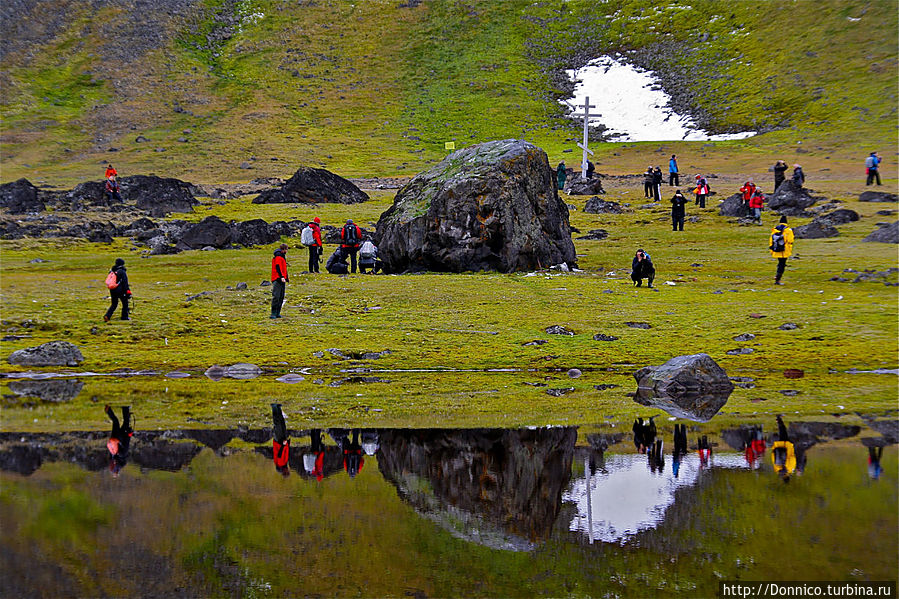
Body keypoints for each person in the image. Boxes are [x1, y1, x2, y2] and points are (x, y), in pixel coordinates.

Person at [105, 404, 133, 476]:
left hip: (122, 435)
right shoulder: (113, 457)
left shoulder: (123, 455)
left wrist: (129, 434)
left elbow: (126, 443)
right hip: (114, 437)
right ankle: (108, 410)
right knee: (115, 421)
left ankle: (125, 407)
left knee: (126, 421)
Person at [769, 215, 794, 285]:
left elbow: (771, 241)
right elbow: (790, 240)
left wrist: (772, 250)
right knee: (782, 264)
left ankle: (777, 277)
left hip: (776, 250)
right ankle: (778, 279)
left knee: (780, 263)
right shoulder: (788, 230)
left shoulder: (775, 230)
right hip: (784, 250)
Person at [771, 415, 796, 481]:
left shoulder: (790, 469)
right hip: (778, 447)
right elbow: (774, 460)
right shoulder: (777, 471)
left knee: (783, 432)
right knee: (782, 433)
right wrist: (773, 450)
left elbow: (792, 458)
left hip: (786, 446)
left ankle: (779, 420)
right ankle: (779, 421)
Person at [270, 243, 289, 319]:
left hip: (282, 279)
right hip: (278, 279)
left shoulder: (282, 257)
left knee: (281, 296)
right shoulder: (278, 257)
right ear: (284, 249)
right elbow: (278, 267)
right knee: (276, 296)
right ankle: (273, 313)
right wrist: (281, 277)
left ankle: (278, 312)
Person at [271, 403, 290, 476]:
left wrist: (283, 445)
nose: (288, 469)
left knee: (278, 424)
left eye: (287, 471)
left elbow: (280, 454)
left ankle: (274, 408)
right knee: (282, 424)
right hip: (282, 441)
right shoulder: (284, 463)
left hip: (279, 441)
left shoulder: (281, 463)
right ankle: (278, 408)